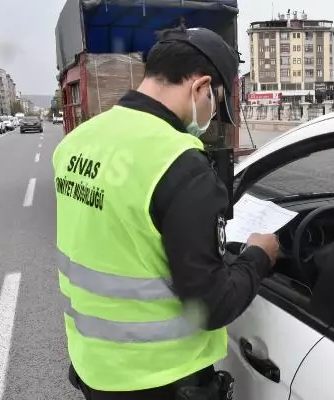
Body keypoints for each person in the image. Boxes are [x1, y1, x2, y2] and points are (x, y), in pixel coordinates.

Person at [53, 26, 280, 400]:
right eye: (216, 101)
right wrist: (259, 255)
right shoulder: (178, 163)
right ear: (201, 87)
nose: (212, 114)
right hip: (160, 378)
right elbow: (212, 305)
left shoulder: (77, 142)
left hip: (94, 367)